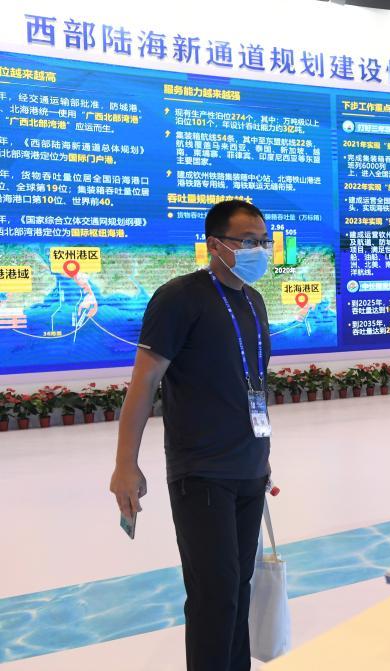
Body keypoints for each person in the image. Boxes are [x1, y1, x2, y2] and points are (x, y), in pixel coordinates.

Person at [109, 199, 274, 671]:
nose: (259, 250)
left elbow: (253, 384)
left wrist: (263, 457)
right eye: (247, 241)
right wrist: (125, 464)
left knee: (237, 589)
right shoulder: (179, 298)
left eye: (264, 241)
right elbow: (144, 382)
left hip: (248, 468)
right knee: (213, 595)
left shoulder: (254, 301)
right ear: (215, 244)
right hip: (200, 472)